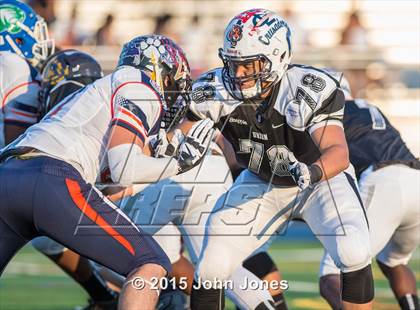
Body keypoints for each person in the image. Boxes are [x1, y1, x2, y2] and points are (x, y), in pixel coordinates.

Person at [178, 8, 374, 309]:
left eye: (249, 64)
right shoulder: (214, 90)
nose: (239, 74)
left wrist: (311, 173)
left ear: (277, 57)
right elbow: (181, 131)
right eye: (233, 63)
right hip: (261, 181)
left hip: (319, 181)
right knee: (211, 265)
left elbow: (337, 152)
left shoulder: (307, 87)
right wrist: (179, 144)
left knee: (353, 250)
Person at [0, 34, 208, 309]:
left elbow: (109, 189)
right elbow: (124, 167)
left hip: (9, 175)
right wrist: (179, 163)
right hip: (49, 176)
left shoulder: (98, 96)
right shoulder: (140, 86)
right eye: (172, 83)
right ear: (162, 73)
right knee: (150, 264)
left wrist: (163, 162)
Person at [318, 75, 420, 310]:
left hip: (383, 182)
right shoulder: (370, 108)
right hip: (415, 178)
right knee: (394, 261)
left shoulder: (330, 114)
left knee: (331, 274)